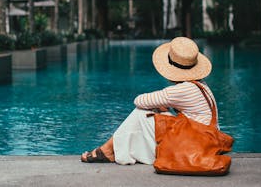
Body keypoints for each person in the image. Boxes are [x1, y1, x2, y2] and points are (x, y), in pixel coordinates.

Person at [81, 37, 219, 164]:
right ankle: (109, 149)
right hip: (207, 140)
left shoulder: (182, 90)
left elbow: (139, 100)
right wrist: (164, 106)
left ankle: (107, 150)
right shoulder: (201, 85)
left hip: (195, 147)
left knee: (141, 112)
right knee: (154, 112)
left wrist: (162, 104)